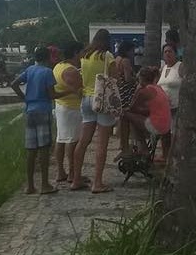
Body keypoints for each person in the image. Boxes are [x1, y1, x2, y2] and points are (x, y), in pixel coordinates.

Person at [70, 29, 118, 194]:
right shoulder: (107, 57)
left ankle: (75, 179)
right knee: (102, 143)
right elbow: (114, 79)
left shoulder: (85, 56)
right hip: (102, 101)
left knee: (83, 141)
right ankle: (97, 183)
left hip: (86, 100)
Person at [10, 47, 58, 195]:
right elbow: (51, 95)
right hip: (43, 110)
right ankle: (44, 184)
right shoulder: (47, 72)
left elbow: (14, 83)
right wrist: (69, 92)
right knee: (44, 148)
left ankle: (30, 186)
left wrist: (25, 98)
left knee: (31, 149)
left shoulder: (30, 70)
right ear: (48, 57)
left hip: (30, 111)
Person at [52, 41, 83, 186]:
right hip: (71, 108)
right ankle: (72, 172)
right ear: (76, 53)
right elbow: (79, 90)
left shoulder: (58, 66)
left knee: (61, 139)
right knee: (72, 140)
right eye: (81, 52)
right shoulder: (71, 71)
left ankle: (60, 171)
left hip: (61, 106)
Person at [123, 66, 172, 145]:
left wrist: (137, 89)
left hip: (157, 126)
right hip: (166, 125)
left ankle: (126, 148)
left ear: (141, 79)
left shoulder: (145, 91)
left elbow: (132, 108)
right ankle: (141, 147)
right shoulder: (158, 88)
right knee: (135, 119)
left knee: (124, 115)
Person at [157, 43, 183, 161]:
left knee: (174, 133)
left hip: (177, 105)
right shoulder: (163, 68)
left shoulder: (180, 66)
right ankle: (165, 154)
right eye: (165, 52)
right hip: (163, 106)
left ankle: (174, 156)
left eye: (170, 51)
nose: (167, 53)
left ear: (175, 53)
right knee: (164, 133)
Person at [114, 41, 138, 159]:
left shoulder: (117, 59)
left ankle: (122, 144)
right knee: (127, 119)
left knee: (122, 118)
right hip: (127, 92)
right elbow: (128, 78)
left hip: (120, 91)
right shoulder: (126, 61)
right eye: (132, 50)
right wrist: (137, 78)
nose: (134, 53)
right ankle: (125, 146)